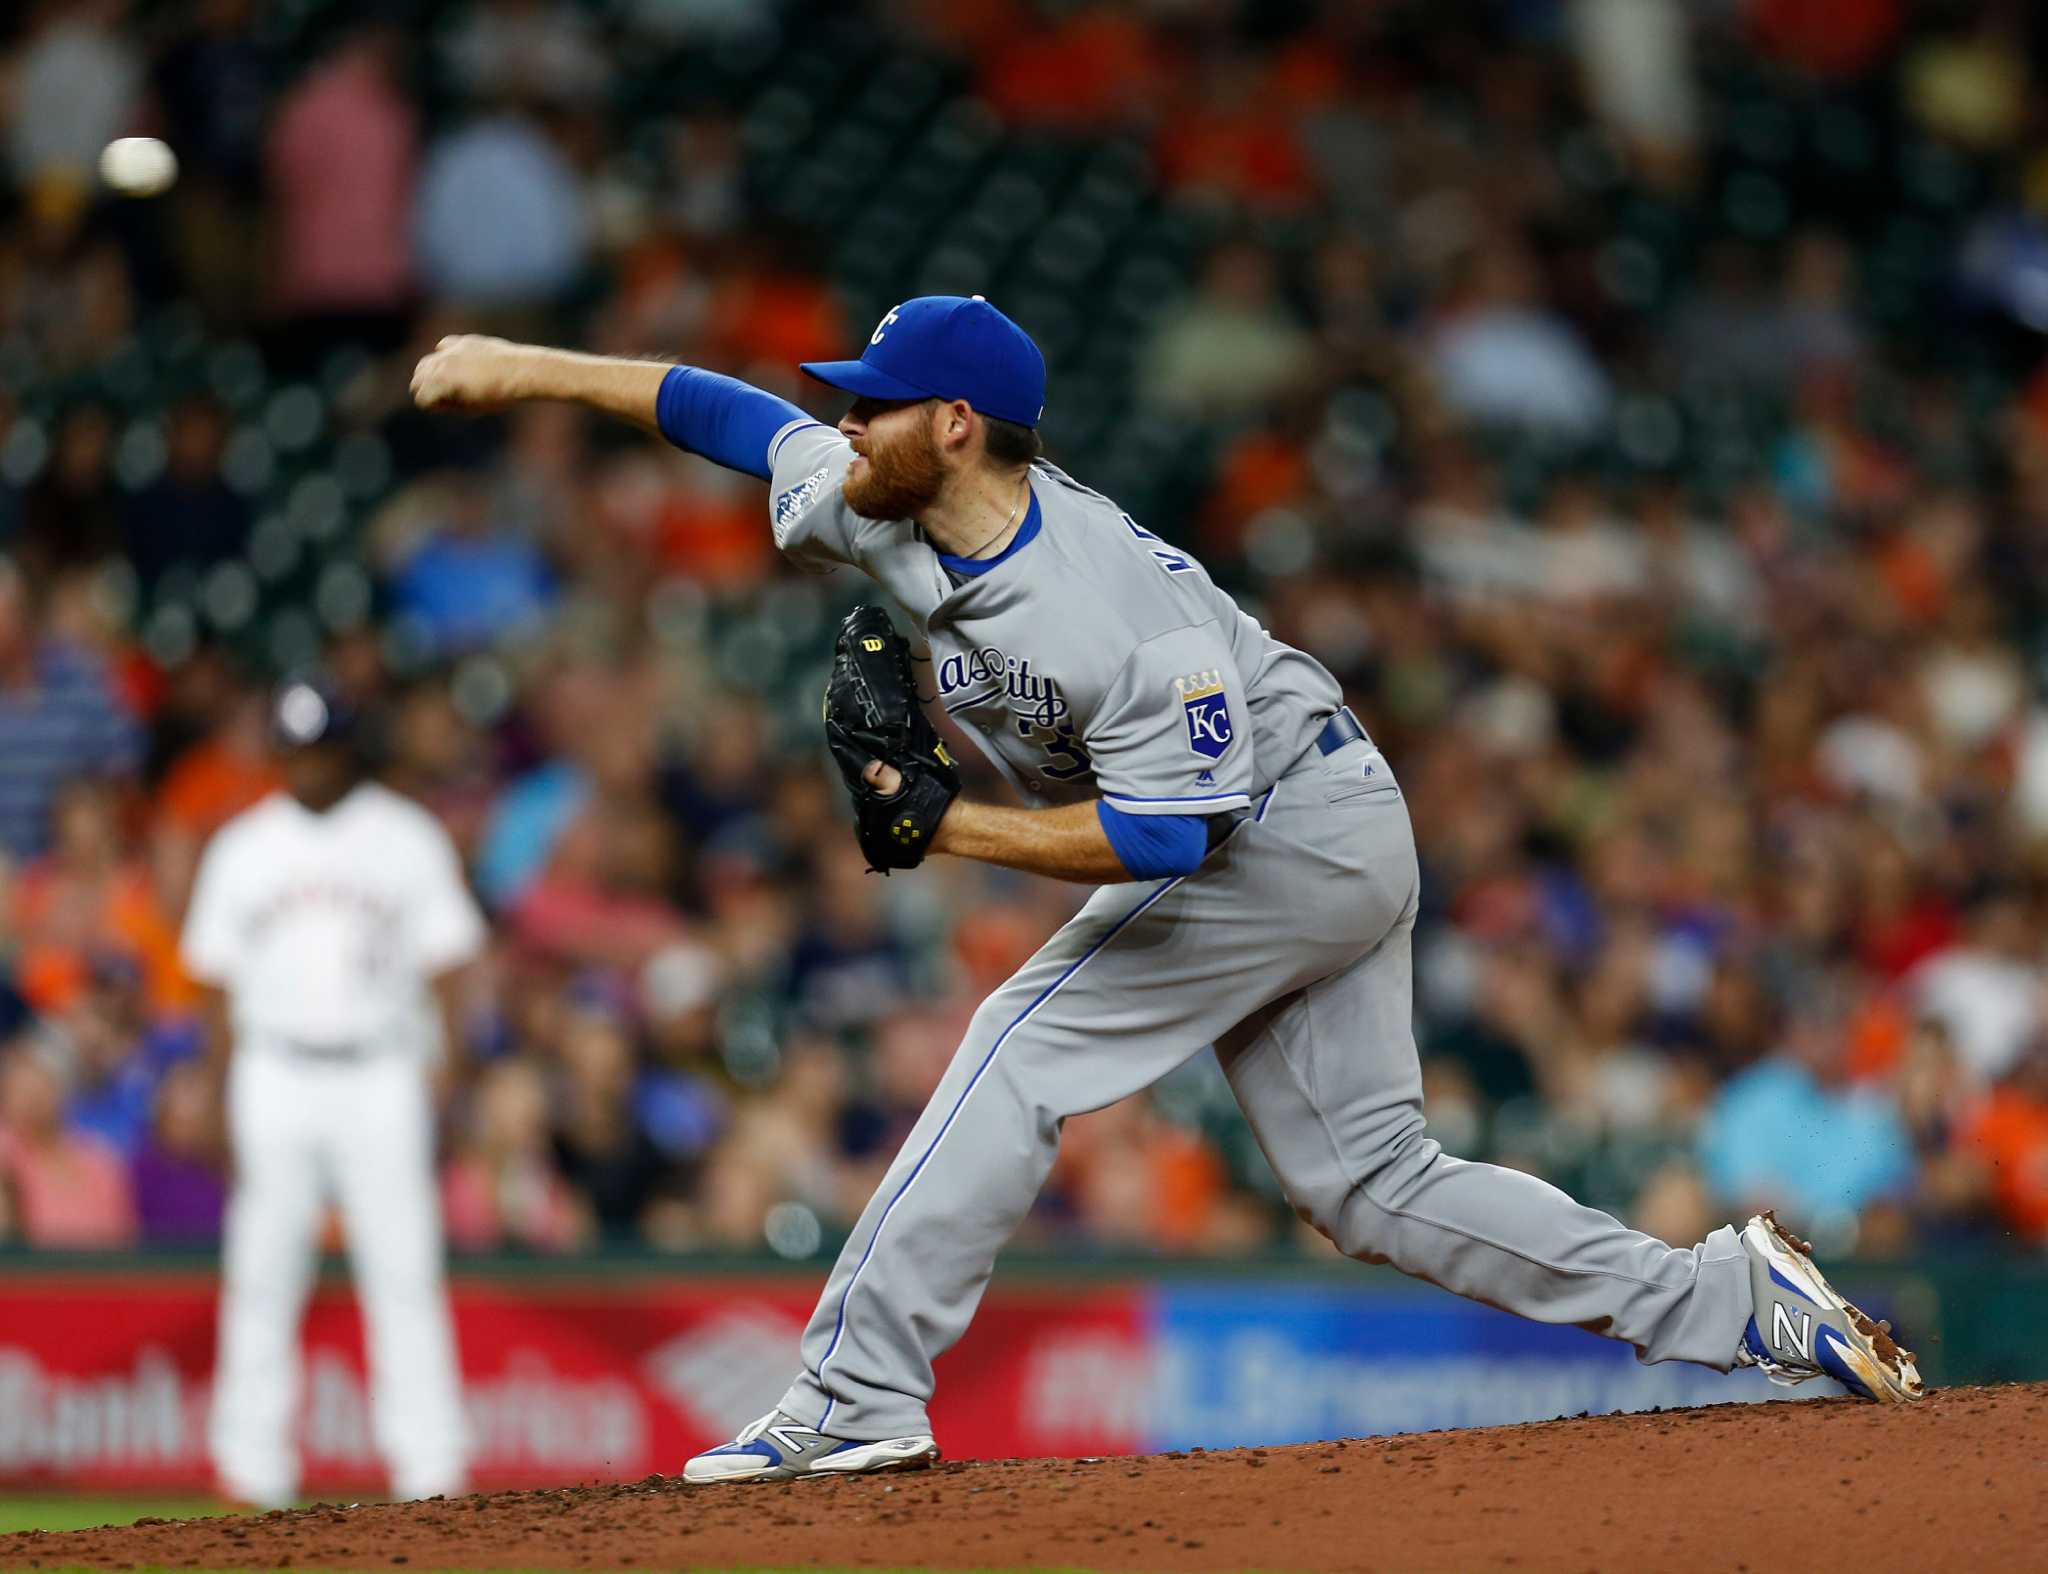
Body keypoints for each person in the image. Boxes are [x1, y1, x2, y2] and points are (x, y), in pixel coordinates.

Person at [410, 294, 1924, 1485]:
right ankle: (1734, 1305)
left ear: (952, 423)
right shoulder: (880, 493)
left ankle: (849, 1401)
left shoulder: (1103, 610)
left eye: (869, 399)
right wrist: (516, 364)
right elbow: (726, 413)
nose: (842, 417)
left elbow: (1165, 843)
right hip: (1302, 815)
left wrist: (947, 832)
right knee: (1370, 1183)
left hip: (1288, 826)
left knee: (1022, 1041)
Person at [178, 678, 484, 1507]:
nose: (307, 764)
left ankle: (431, 1472)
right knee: (262, 1272)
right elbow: (211, 981)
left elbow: (452, 966)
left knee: (404, 1272)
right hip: (272, 1071)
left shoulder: (403, 835)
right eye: (295, 749)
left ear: (347, 747)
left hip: (382, 1070)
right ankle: (251, 1471)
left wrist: (449, 1078)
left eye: (320, 747)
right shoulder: (244, 845)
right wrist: (212, 1090)